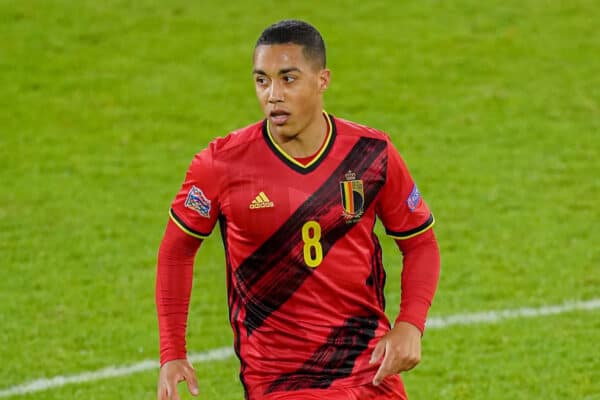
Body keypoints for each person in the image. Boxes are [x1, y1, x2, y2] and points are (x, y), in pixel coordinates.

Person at [156, 19, 440, 400]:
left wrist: (410, 324)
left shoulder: (370, 154)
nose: (273, 95)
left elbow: (420, 242)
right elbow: (177, 250)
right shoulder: (221, 165)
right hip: (284, 383)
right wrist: (172, 352)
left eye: (288, 79)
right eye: (262, 81)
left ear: (322, 80)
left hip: (372, 373)